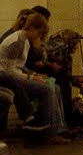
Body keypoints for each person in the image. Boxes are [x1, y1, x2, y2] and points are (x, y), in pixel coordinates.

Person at [0, 12, 68, 142]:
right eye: (38, 33)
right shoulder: (16, 42)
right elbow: (10, 72)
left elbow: (19, 66)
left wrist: (34, 74)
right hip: (5, 78)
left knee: (55, 87)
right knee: (47, 89)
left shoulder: (24, 40)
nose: (39, 37)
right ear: (31, 28)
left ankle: (58, 128)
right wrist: (31, 78)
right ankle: (47, 131)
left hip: (12, 76)